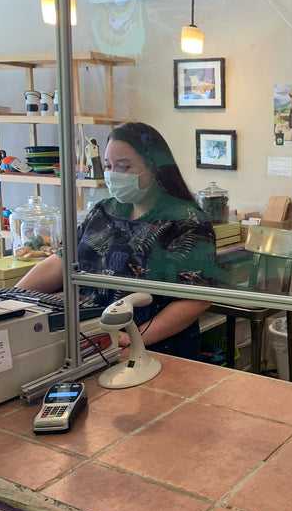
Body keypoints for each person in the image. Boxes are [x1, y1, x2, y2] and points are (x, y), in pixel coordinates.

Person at [18, 122, 218, 361]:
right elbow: (62, 261)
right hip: (93, 339)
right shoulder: (103, 211)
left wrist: (134, 338)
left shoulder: (186, 220)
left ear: (155, 168)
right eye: (108, 166)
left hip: (154, 349)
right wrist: (10, 298)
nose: (113, 174)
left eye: (123, 166)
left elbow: (197, 298)